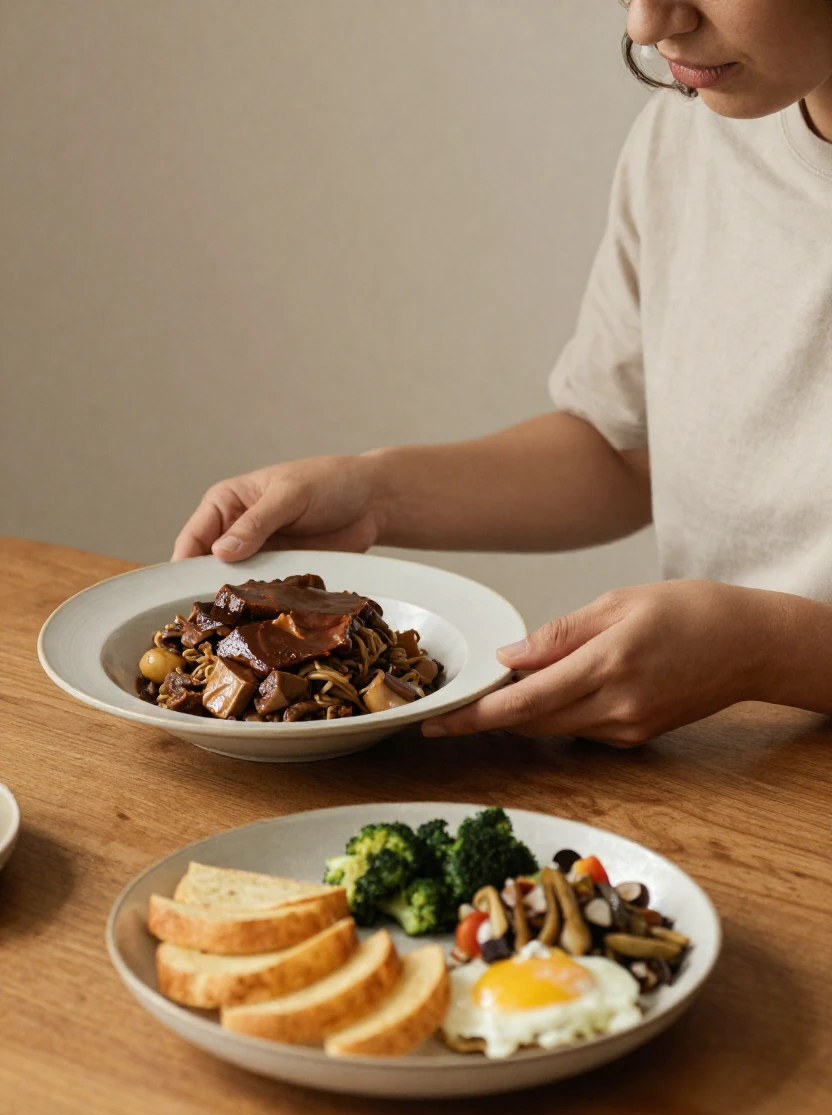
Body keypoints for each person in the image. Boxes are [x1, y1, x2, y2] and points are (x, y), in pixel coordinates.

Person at [173, 0, 832, 747]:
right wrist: (370, 492)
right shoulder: (687, 139)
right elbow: (625, 455)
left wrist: (771, 652)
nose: (647, 25)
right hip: (738, 768)